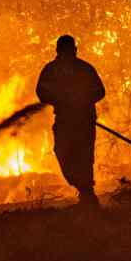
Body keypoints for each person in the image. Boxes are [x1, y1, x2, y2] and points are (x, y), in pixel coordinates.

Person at [35, 34, 105, 207]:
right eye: (64, 51)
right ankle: (82, 187)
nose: (67, 54)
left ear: (74, 50)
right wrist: (59, 99)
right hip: (65, 120)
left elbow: (100, 91)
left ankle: (87, 194)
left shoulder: (85, 69)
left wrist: (83, 100)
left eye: (69, 51)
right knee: (62, 152)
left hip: (84, 121)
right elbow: (41, 92)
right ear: (58, 51)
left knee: (85, 157)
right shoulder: (51, 70)